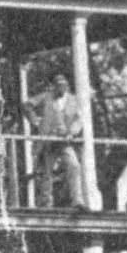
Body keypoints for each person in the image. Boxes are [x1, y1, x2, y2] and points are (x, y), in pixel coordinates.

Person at [32, 72, 88, 210]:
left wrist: (71, 133)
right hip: (49, 140)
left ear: (67, 86)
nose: (61, 88)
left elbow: (79, 120)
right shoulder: (46, 97)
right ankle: (45, 202)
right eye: (58, 85)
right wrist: (35, 121)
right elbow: (27, 105)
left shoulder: (73, 100)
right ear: (54, 86)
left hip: (64, 141)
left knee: (74, 165)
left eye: (64, 85)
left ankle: (77, 200)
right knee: (46, 170)